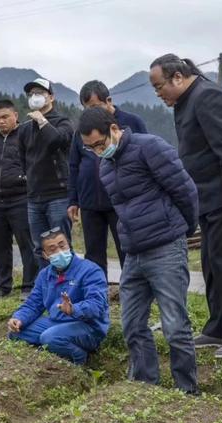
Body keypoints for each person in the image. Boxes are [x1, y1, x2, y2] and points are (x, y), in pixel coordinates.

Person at [79, 107, 199, 394]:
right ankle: (146, 387)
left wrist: (183, 230)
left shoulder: (150, 147)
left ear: (113, 128)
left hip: (165, 247)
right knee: (131, 323)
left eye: (100, 143)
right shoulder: (105, 166)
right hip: (133, 253)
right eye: (90, 148)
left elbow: (186, 191)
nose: (97, 151)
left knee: (174, 325)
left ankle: (187, 390)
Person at [149, 54, 222, 358]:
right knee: (212, 263)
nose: (158, 94)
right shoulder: (187, 100)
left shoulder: (208, 96)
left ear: (177, 78)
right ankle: (218, 327)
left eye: (160, 87)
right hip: (209, 198)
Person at [68, 80, 148, 276]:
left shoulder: (131, 122)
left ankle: (133, 292)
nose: (90, 112)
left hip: (121, 200)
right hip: (90, 201)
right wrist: (73, 200)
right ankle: (97, 294)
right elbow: (73, 165)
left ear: (108, 101)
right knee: (93, 253)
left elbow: (145, 158)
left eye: (95, 106)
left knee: (126, 249)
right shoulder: (82, 131)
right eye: (86, 108)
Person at [7, 228, 109, 365]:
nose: (59, 252)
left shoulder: (90, 270)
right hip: (57, 322)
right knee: (15, 332)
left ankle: (80, 358)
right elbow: (33, 303)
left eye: (62, 246)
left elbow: (97, 305)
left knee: (49, 338)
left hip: (88, 326)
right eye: (52, 249)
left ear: (69, 245)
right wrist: (19, 318)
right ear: (45, 255)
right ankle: (56, 348)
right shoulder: (44, 275)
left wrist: (74, 309)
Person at [0, 99, 39, 299]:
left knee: (27, 245)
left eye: (5, 117)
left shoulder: (26, 137)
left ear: (15, 116)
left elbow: (35, 167)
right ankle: (2, 286)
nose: (1, 121)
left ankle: (28, 287)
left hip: (21, 200)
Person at [18, 78, 75, 270]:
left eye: (40, 93)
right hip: (34, 197)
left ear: (51, 97)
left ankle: (69, 289)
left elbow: (57, 140)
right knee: (39, 247)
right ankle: (46, 288)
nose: (35, 97)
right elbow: (22, 158)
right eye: (31, 94)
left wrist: (42, 121)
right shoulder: (25, 128)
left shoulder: (63, 122)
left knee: (62, 246)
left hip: (58, 195)